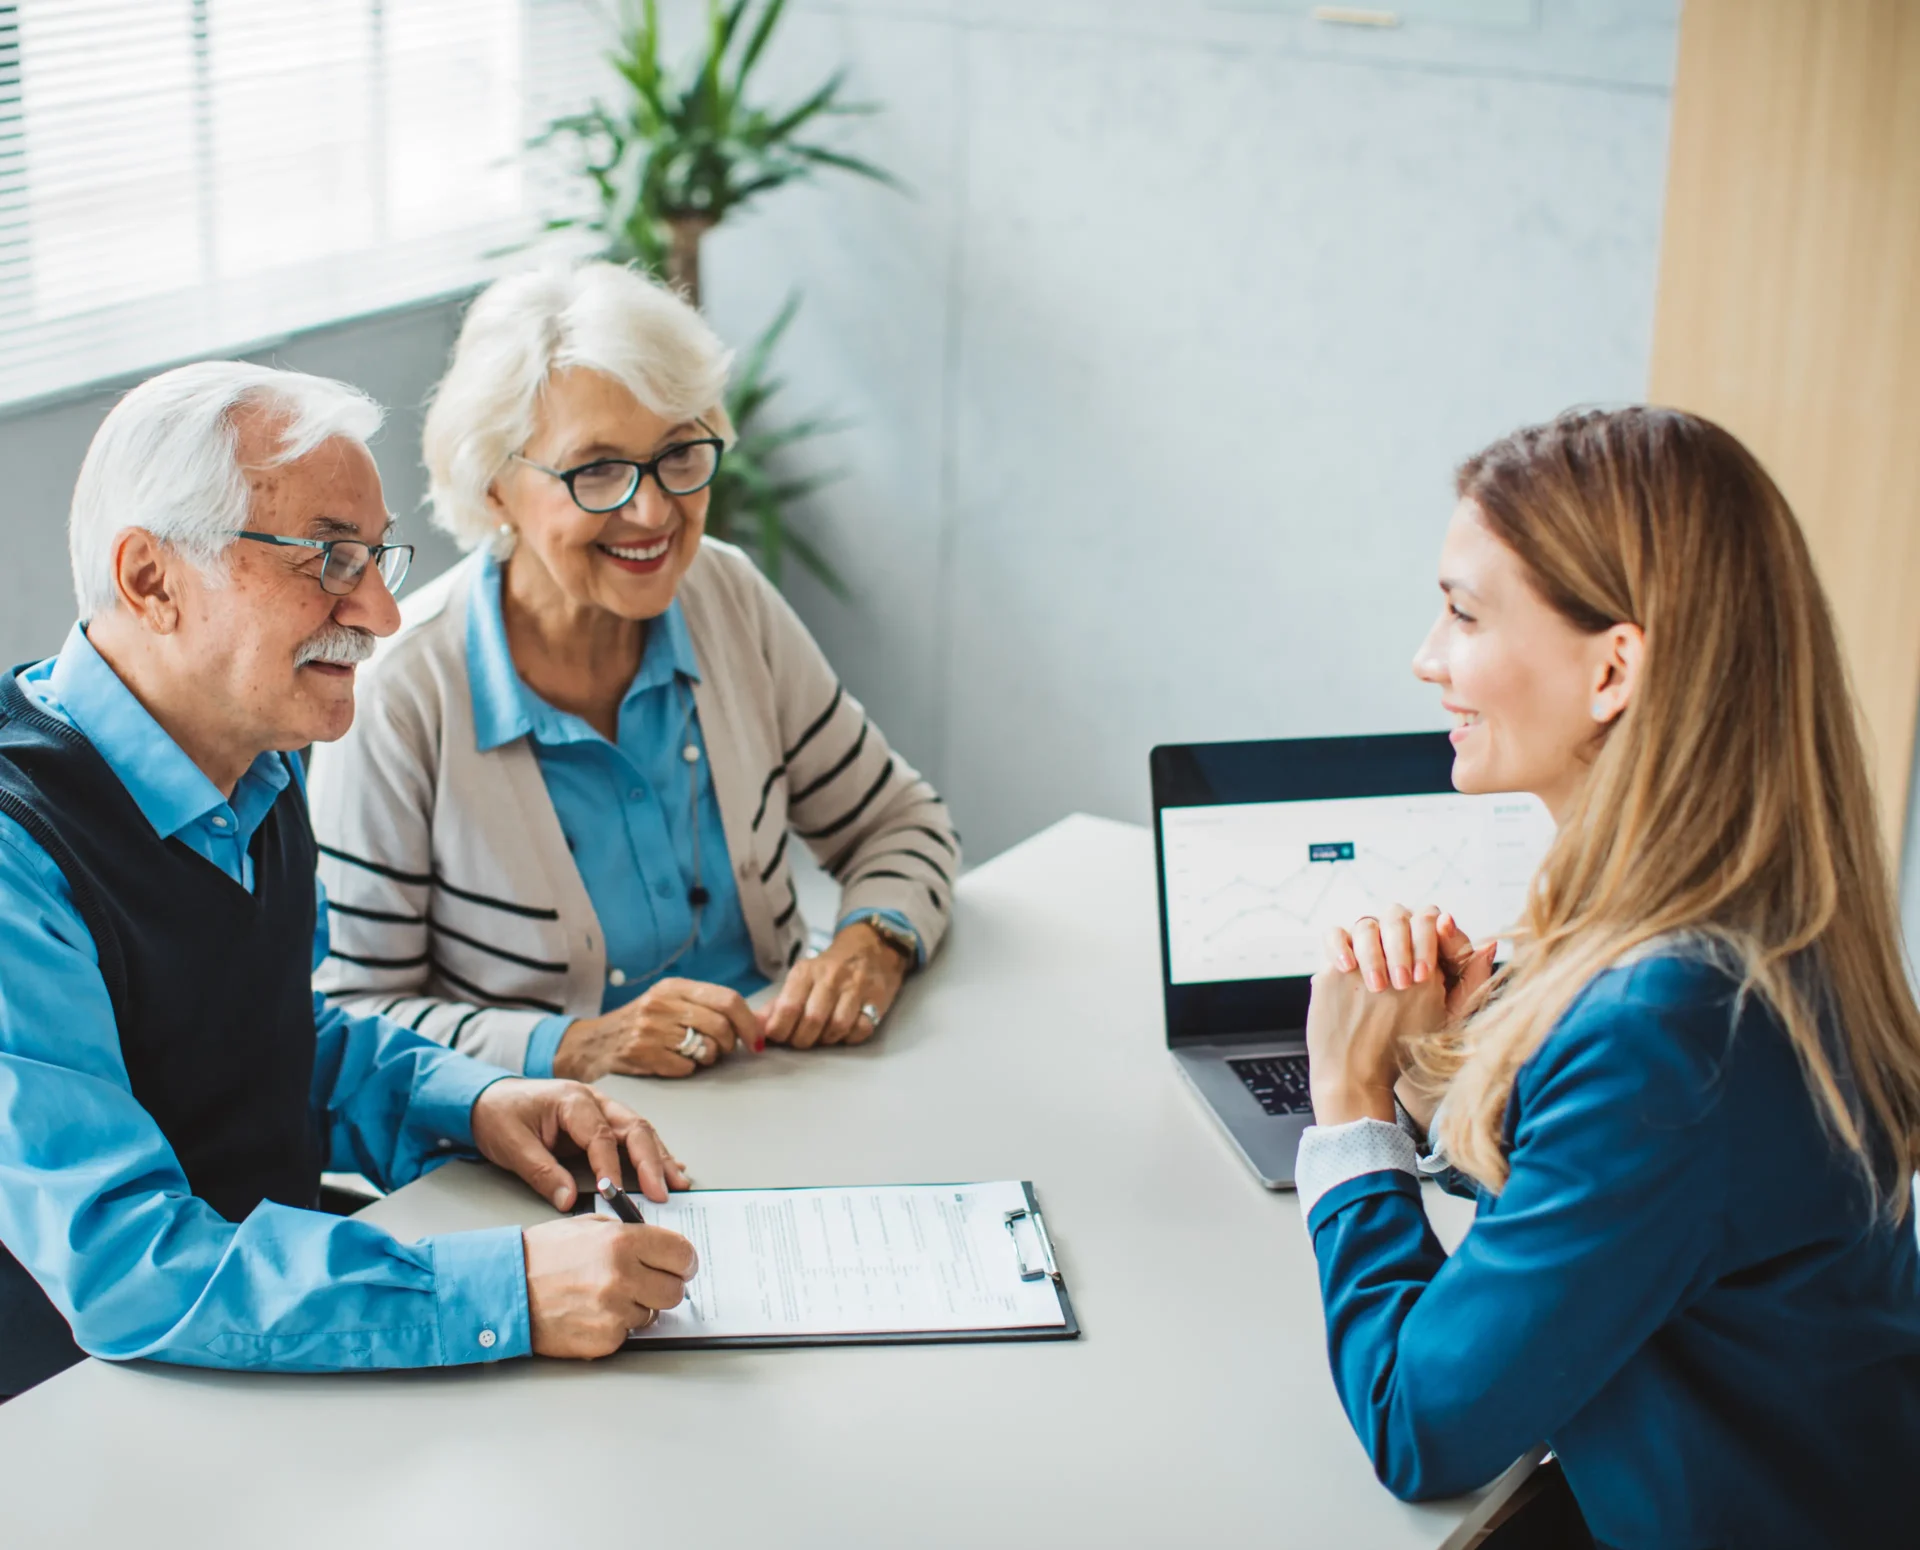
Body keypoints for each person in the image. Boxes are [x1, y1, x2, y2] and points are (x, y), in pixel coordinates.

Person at [0, 361, 704, 1400]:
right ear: (152, 579)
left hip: (265, 1360)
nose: (379, 610)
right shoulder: (18, 852)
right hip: (83, 1407)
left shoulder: (255, 755)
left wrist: (477, 1101)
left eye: (374, 556)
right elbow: (126, 1265)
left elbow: (271, 1040)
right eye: (330, 558)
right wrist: (508, 1287)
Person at [1296, 407, 1920, 1546]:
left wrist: (1348, 1103)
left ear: (1613, 669)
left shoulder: (1667, 1025)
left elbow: (1417, 1427)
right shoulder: (1759, 922)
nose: (1427, 656)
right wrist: (1455, 1081)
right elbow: (1635, 1221)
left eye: (1462, 611)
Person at [307, 262, 958, 1082]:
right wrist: (579, 1047)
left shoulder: (726, 596)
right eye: (598, 471)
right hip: (554, 1158)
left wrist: (874, 940)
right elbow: (351, 1017)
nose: (653, 512)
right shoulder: (404, 694)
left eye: (680, 453)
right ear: (496, 486)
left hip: (786, 1091)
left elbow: (899, 822)